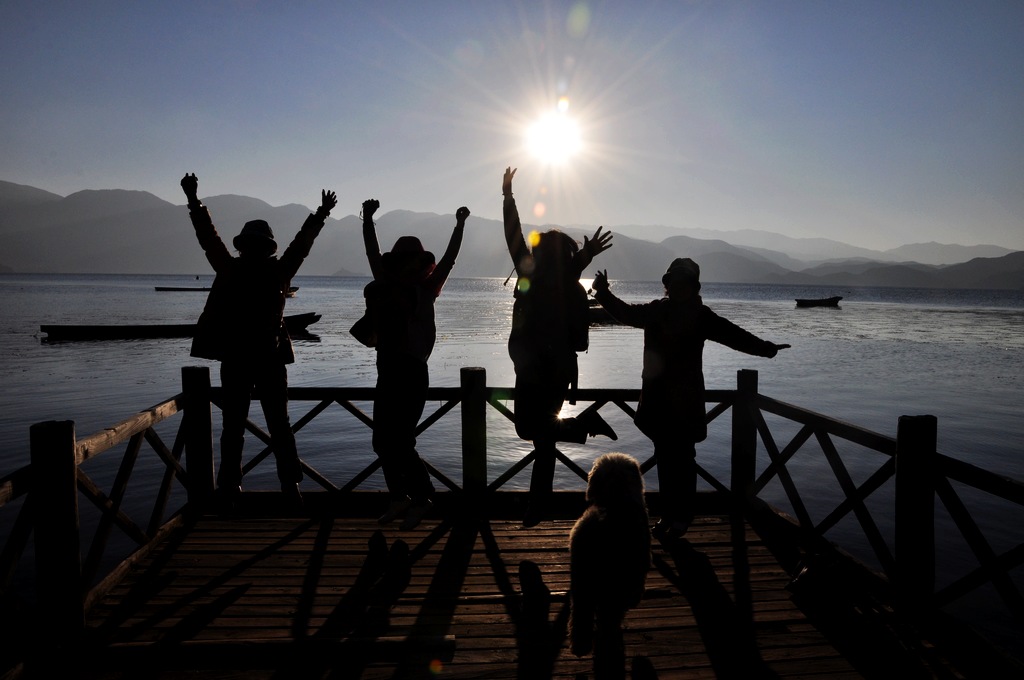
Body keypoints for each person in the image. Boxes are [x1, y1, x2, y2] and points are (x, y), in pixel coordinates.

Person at [591, 259, 790, 537]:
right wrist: (602, 293)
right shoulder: (657, 310)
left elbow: (734, 335)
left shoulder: (700, 315)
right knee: (666, 458)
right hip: (660, 402)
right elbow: (626, 313)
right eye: (674, 283)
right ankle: (668, 516)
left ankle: (682, 518)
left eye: (684, 283)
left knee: (682, 461)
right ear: (667, 286)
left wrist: (766, 348)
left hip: (683, 404)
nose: (678, 288)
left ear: (693, 288)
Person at [180, 172, 337, 511]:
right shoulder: (249, 270)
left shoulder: (253, 270)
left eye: (256, 245)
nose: (253, 249)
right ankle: (245, 485)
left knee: (260, 425)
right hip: (252, 358)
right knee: (254, 425)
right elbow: (209, 238)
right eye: (252, 245)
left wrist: (320, 215)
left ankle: (260, 485)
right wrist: (194, 201)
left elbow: (301, 245)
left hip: (257, 358)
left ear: (260, 248)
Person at [502, 166, 616, 527]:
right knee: (540, 437)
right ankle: (541, 502)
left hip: (535, 368)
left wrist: (508, 195)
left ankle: (538, 507)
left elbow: (513, 235)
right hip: (558, 369)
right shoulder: (568, 283)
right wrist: (586, 257)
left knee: (531, 432)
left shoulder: (534, 278)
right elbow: (565, 270)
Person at [358, 198, 469, 530]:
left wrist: (459, 226)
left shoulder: (427, 289)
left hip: (411, 372)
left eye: (412, 260)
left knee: (402, 441)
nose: (408, 265)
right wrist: (367, 221)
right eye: (403, 260)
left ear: (419, 264)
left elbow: (449, 260)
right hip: (387, 369)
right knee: (382, 441)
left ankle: (422, 497)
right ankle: (399, 497)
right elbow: (372, 255)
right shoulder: (386, 283)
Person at [569, 452, 652, 677]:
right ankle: (607, 647)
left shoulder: (586, 527)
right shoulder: (637, 517)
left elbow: (578, 584)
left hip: (588, 540)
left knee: (582, 595)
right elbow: (644, 559)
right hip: (624, 555)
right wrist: (637, 588)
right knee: (611, 610)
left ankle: (580, 638)